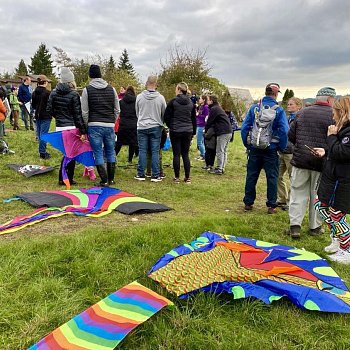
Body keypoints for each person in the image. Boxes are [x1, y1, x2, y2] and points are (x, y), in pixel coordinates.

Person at [287, 87, 336, 238]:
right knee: (317, 196)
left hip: (301, 159)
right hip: (321, 162)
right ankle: (315, 227)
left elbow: (291, 135)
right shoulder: (334, 115)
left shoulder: (302, 112)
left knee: (297, 193)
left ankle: (295, 226)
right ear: (330, 99)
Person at [241, 83, 289, 214]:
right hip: (271, 149)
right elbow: (284, 130)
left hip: (255, 148)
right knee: (272, 177)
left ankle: (248, 203)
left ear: (266, 92)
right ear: (276, 93)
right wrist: (281, 146)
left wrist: (248, 144)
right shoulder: (278, 110)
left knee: (251, 175)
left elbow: (244, 128)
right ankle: (271, 205)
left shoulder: (254, 108)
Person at [313, 97, 350, 263]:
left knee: (336, 215)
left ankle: (346, 249)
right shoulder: (344, 129)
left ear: (342, 112)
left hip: (342, 182)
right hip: (333, 178)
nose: (332, 117)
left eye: (334, 113)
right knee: (320, 205)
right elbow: (338, 152)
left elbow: (343, 153)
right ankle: (337, 238)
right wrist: (326, 152)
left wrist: (331, 136)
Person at [47, 67, 87, 185]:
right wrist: (83, 130)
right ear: (71, 81)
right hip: (71, 126)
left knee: (66, 153)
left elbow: (49, 109)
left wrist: (58, 117)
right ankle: (67, 178)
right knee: (71, 154)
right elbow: (77, 114)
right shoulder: (74, 94)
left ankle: (63, 177)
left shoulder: (53, 93)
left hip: (60, 126)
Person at [81, 64, 120, 186]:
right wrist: (112, 121)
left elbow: (85, 112)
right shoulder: (112, 89)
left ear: (90, 75)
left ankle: (104, 180)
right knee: (110, 151)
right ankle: (111, 179)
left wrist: (87, 125)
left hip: (94, 125)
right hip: (109, 125)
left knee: (97, 152)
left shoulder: (87, 90)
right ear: (100, 74)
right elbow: (117, 110)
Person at [134, 75, 166, 182]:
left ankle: (141, 174)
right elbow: (164, 113)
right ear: (156, 84)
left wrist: (142, 120)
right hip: (156, 126)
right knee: (155, 151)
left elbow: (137, 112)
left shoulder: (139, 97)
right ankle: (156, 175)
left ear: (146, 83)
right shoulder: (161, 98)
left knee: (142, 150)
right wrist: (160, 122)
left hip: (142, 126)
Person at [164, 82, 196, 183]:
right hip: (188, 131)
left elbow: (166, 116)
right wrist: (193, 132)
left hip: (176, 130)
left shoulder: (173, 102)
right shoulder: (191, 103)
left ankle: (177, 177)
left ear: (179, 89)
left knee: (176, 154)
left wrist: (171, 126)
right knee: (185, 154)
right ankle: (187, 177)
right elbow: (193, 119)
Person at [277, 97, 303, 210]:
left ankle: (290, 202)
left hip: (292, 152)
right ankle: (282, 198)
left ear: (298, 106)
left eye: (291, 104)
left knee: (293, 178)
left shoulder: (300, 119)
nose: (288, 106)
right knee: (277, 175)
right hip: (282, 150)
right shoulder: (286, 118)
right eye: (288, 104)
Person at [205, 95, 232, 175]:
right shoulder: (218, 108)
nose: (207, 102)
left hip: (223, 132)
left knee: (219, 150)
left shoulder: (214, 109)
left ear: (212, 101)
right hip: (228, 131)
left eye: (208, 100)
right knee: (223, 150)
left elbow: (210, 121)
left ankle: (219, 168)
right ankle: (222, 167)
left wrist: (206, 131)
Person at [115, 86, 138, 164]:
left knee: (119, 142)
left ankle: (113, 157)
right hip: (133, 125)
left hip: (123, 124)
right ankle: (130, 160)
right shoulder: (136, 102)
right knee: (132, 143)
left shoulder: (121, 102)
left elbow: (117, 111)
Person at [31, 75, 52, 159]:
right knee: (44, 135)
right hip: (46, 116)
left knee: (40, 134)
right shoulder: (48, 93)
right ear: (45, 82)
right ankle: (42, 153)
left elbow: (33, 105)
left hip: (38, 115)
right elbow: (51, 105)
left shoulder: (34, 92)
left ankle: (42, 151)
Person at [196, 95, 208, 161]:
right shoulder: (201, 106)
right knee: (201, 141)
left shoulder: (206, 107)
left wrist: (198, 115)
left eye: (200, 99)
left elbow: (206, 117)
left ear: (204, 100)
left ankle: (204, 155)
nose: (199, 100)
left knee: (199, 142)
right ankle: (201, 155)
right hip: (198, 124)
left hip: (202, 125)